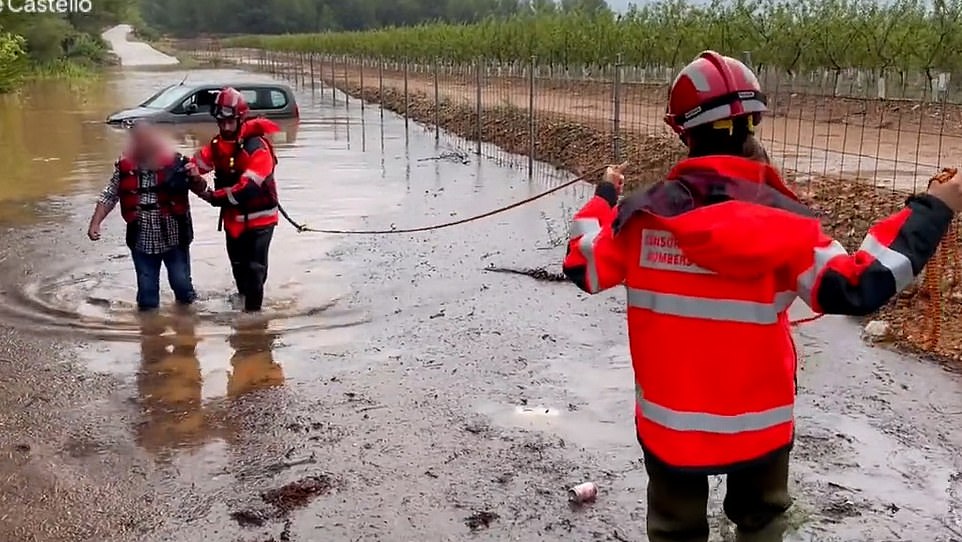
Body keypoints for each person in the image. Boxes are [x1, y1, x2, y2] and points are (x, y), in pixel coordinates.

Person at [562, 50, 962, 542]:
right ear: (753, 123)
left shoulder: (639, 222)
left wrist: (603, 196)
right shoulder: (789, 224)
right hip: (760, 429)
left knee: (674, 529)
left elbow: (582, 265)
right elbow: (863, 284)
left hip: (671, 430)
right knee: (763, 521)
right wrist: (933, 207)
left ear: (681, 131)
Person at [87, 121, 208, 311]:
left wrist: (196, 177)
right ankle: (150, 334)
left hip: (174, 238)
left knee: (182, 287)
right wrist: (96, 223)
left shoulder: (178, 163)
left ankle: (188, 329)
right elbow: (110, 194)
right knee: (147, 298)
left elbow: (201, 189)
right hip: (141, 240)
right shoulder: (124, 167)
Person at [187, 87, 282, 312]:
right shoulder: (218, 145)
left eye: (230, 122)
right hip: (233, 219)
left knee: (255, 269)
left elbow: (247, 189)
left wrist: (211, 196)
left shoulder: (257, 148)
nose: (226, 127)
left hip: (261, 221)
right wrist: (185, 171)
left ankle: (252, 324)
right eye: (221, 122)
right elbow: (197, 164)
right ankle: (242, 302)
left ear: (240, 119)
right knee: (238, 267)